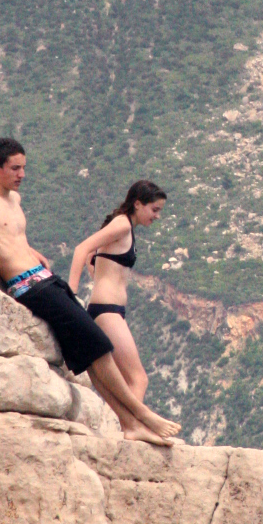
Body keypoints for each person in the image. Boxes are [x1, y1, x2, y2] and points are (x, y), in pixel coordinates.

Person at [0, 139, 180, 446]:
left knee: (88, 352)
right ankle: (143, 415)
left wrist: (31, 250)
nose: (21, 174)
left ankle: (129, 424)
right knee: (99, 342)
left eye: (24, 168)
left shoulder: (14, 201)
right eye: (15, 168)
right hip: (30, 287)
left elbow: (9, 238)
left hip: (44, 278)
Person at [68, 180, 165, 434]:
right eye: (154, 209)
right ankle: (130, 429)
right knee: (138, 378)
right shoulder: (122, 224)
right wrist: (71, 292)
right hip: (108, 310)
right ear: (138, 204)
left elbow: (92, 258)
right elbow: (82, 250)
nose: (157, 216)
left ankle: (126, 427)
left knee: (127, 379)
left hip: (110, 309)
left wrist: (97, 273)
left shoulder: (124, 226)